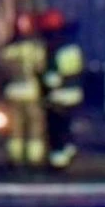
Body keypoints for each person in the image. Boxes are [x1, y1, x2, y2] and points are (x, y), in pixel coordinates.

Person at [0, 12, 48, 168]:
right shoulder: (36, 48)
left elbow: (0, 71)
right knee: (35, 128)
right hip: (31, 92)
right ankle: (34, 160)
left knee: (15, 130)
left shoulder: (8, 49)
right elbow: (41, 68)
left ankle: (16, 159)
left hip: (12, 93)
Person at [38, 9, 86, 170]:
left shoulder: (54, 49)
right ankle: (68, 152)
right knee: (67, 127)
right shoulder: (73, 48)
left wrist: (41, 82)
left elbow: (52, 79)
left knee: (57, 130)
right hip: (74, 94)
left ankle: (58, 162)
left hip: (58, 96)